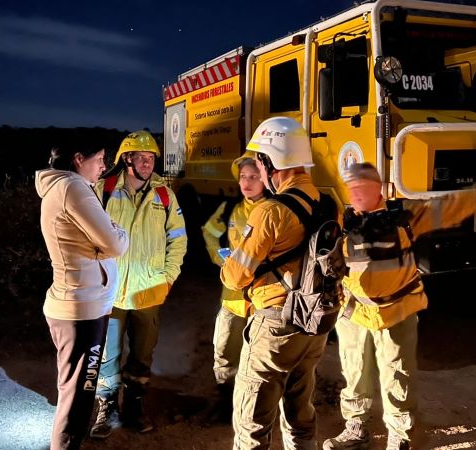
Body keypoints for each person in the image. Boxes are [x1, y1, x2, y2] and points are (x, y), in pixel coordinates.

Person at [323, 162, 476, 450]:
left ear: (378, 187)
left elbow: (451, 206)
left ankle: (400, 436)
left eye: (361, 187)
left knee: (397, 374)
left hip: (397, 310)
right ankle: (356, 428)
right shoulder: (341, 221)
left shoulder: (405, 215)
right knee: (354, 372)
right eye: (351, 187)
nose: (355, 193)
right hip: (354, 313)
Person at [221, 116, 326, 449]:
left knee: (252, 421)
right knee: (299, 412)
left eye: (259, 162)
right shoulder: (327, 203)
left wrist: (228, 263)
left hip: (276, 324)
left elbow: (236, 276)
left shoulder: (269, 211)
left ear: (269, 162)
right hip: (313, 325)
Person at [90, 130, 187, 437]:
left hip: (149, 292)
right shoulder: (103, 190)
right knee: (108, 353)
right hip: (111, 293)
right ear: (126, 159)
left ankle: (134, 406)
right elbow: (86, 236)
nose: (147, 163)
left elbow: (179, 240)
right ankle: (105, 408)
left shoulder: (164, 195)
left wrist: (168, 278)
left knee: (142, 356)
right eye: (141, 158)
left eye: (151, 158)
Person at [35, 145, 129, 450]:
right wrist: (115, 235)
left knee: (77, 392)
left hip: (82, 303)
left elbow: (100, 240)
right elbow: (115, 242)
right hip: (80, 309)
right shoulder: (73, 188)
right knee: (78, 395)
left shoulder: (67, 187)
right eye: (99, 159)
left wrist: (103, 241)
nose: (104, 166)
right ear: (78, 159)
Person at [201, 153, 268, 423]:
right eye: (243, 177)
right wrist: (222, 260)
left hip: (264, 301)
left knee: (259, 357)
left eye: (254, 177)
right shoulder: (230, 209)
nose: (247, 182)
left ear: (265, 179)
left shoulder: (275, 210)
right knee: (225, 349)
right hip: (231, 298)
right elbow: (209, 232)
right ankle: (224, 402)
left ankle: (255, 410)